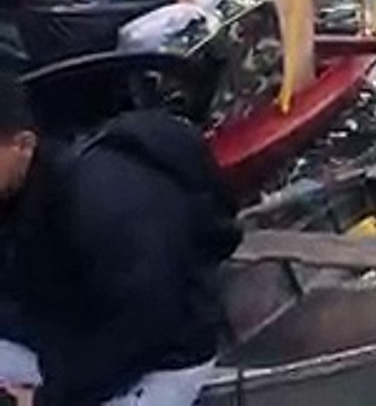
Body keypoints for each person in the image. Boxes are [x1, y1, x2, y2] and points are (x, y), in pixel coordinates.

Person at [0, 72, 241, 405]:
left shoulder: (102, 198)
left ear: (24, 145)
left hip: (161, 361)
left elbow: (141, 327)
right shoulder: (20, 191)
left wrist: (46, 399)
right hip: (68, 334)